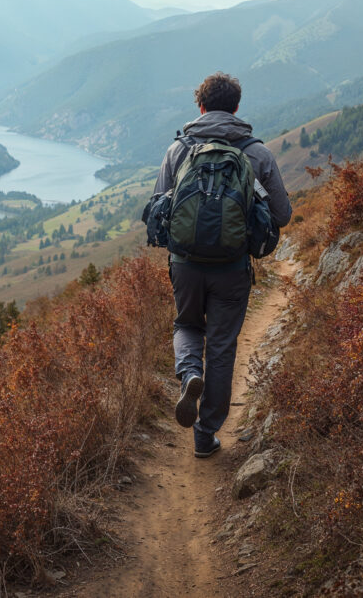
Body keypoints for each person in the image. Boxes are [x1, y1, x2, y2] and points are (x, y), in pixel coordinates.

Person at [153, 72, 292, 458]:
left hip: (184, 265)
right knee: (222, 345)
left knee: (186, 324)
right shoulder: (257, 153)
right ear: (235, 108)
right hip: (232, 268)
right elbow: (282, 215)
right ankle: (205, 432)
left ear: (199, 107)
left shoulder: (177, 151)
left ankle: (189, 372)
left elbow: (159, 209)